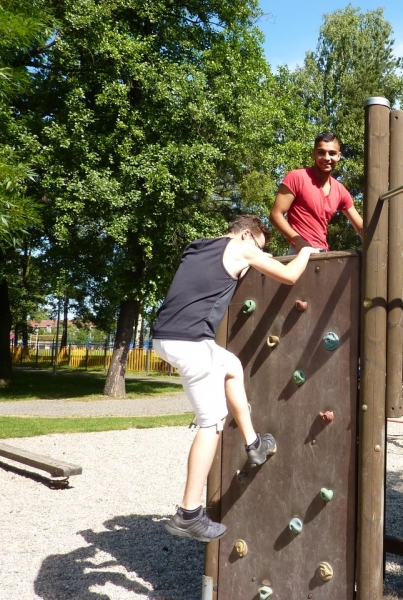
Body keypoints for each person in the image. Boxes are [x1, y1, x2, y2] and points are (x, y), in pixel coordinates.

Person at [152, 215, 320, 542]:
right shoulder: (241, 247)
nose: (258, 252)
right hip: (191, 343)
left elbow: (221, 275)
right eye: (258, 245)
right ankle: (188, 514)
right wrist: (304, 251)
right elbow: (288, 276)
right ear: (245, 235)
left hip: (165, 338)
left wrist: (256, 257)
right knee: (211, 423)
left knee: (231, 365)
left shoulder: (199, 248)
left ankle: (253, 443)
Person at [270, 132, 364, 253]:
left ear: (339, 156)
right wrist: (298, 241)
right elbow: (275, 215)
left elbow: (361, 228)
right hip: (300, 252)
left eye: (332, 153)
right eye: (321, 152)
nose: (327, 158)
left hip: (323, 253)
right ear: (313, 153)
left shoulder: (339, 189)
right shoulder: (297, 177)